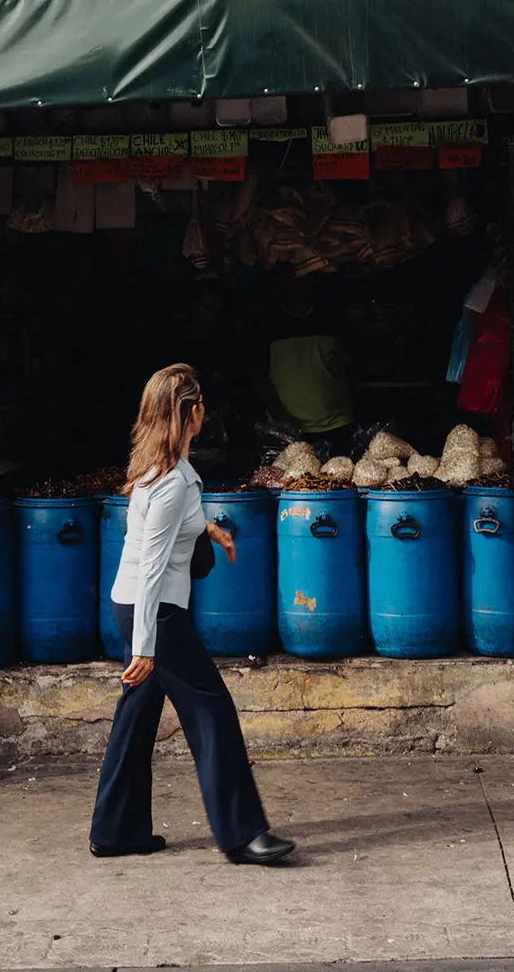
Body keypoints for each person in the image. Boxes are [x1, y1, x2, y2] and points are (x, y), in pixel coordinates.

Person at [90, 364, 296, 866]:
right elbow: (153, 566)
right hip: (154, 612)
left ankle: (115, 830)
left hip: (134, 605)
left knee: (137, 715)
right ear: (193, 414)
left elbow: (161, 528)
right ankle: (243, 834)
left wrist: (206, 528)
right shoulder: (172, 482)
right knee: (212, 711)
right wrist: (145, 648)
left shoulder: (160, 470)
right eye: (201, 403)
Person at [251, 274, 354, 452]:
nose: (300, 286)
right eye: (295, 279)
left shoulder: (332, 321)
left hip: (337, 422)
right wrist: (279, 414)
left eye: (305, 279)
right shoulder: (267, 325)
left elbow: (351, 361)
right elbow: (257, 375)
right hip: (286, 426)